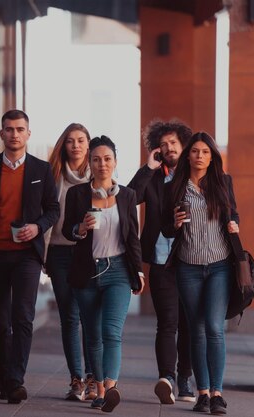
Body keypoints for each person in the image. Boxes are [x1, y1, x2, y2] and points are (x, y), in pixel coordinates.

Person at [0, 109, 59, 404]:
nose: (14, 134)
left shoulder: (41, 171)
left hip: (26, 257)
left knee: (23, 317)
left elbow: (53, 210)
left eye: (20, 129)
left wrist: (37, 226)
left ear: (28, 134)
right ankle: (6, 375)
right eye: (9, 129)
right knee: (1, 321)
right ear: (1, 134)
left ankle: (15, 379)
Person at [62, 135, 145, 413]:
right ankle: (97, 389)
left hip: (119, 270)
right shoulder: (77, 194)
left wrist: (139, 273)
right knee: (93, 335)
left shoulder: (128, 196)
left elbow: (133, 237)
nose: (102, 164)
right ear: (90, 163)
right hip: (87, 272)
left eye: (107, 159)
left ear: (115, 162)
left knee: (112, 332)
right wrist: (80, 229)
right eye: (96, 159)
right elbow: (67, 231)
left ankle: (110, 389)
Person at [161, 132, 239, 415]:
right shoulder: (175, 187)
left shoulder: (222, 182)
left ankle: (217, 393)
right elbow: (165, 229)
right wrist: (174, 223)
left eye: (205, 152)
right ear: (188, 155)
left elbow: (234, 214)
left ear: (212, 156)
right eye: (195, 151)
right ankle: (202, 393)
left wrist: (234, 225)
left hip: (220, 265)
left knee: (215, 328)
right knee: (197, 329)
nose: (200, 156)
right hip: (188, 266)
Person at [127, 119, 195, 404]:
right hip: (161, 261)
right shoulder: (154, 177)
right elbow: (129, 197)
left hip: (193, 261)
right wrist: (147, 168)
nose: (168, 148)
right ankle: (166, 377)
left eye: (173, 143)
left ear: (183, 145)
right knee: (167, 322)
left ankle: (185, 379)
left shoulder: (196, 175)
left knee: (189, 323)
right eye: (163, 144)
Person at [45, 123, 96, 401]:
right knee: (69, 316)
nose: (75, 145)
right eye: (70, 141)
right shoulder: (52, 175)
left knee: (89, 317)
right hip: (59, 252)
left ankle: (91, 377)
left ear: (88, 144)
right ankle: (76, 379)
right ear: (63, 145)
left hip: (88, 254)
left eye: (80, 140)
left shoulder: (97, 175)